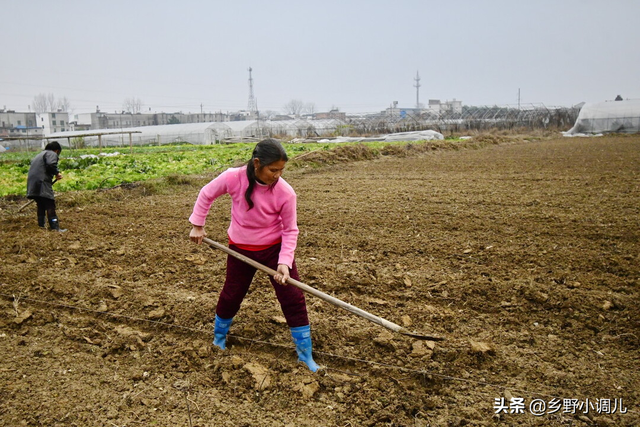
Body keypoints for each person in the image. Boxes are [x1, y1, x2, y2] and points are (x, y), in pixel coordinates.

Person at [189, 138, 319, 372]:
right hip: (240, 249)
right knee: (232, 294)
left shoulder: (285, 193)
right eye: (273, 170)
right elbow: (206, 193)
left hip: (274, 249)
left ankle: (305, 355)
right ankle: (218, 339)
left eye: (281, 170)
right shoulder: (233, 177)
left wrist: (284, 262)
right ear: (257, 163)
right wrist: (197, 224)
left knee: (293, 298)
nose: (278, 175)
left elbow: (290, 230)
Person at [26, 140, 66, 232]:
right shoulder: (51, 154)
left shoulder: (40, 155)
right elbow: (51, 164)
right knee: (49, 203)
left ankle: (41, 226)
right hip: (42, 181)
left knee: (41, 204)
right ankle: (55, 227)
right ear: (56, 150)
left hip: (33, 182)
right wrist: (57, 173)